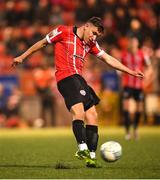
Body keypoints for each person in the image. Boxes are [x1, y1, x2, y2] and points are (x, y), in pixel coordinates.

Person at [12, 17, 144, 168]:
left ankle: (91, 158)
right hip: (66, 78)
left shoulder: (91, 44)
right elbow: (42, 42)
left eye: (97, 36)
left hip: (79, 80)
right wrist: (22, 57)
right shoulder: (63, 31)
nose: (94, 37)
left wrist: (130, 72)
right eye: (93, 33)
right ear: (86, 26)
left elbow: (107, 58)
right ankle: (82, 148)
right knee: (79, 111)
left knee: (93, 115)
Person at [120, 36, 152, 140]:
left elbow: (149, 67)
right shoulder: (124, 54)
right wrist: (121, 76)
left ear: (137, 44)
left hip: (139, 86)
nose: (133, 45)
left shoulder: (143, 54)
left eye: (135, 43)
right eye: (131, 43)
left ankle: (136, 128)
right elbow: (119, 67)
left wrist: (146, 78)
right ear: (129, 44)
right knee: (126, 108)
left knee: (139, 109)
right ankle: (127, 132)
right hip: (127, 85)